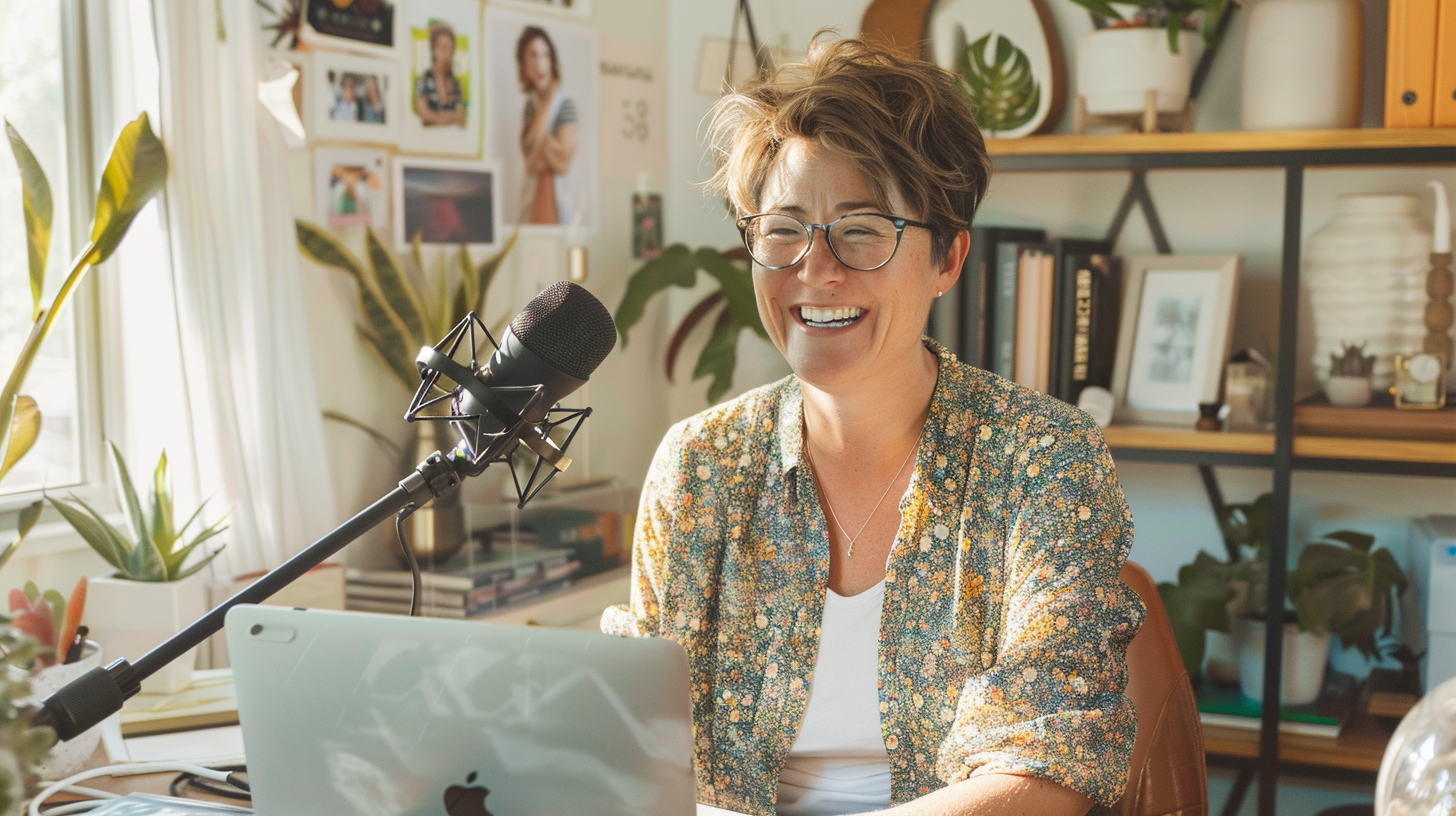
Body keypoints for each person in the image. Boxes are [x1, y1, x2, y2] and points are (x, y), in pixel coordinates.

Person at [601, 35, 1144, 816]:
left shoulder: (1043, 459)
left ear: (948, 258)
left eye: (861, 228)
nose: (815, 271)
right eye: (783, 229)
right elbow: (634, 742)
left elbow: (1043, 773)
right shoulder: (702, 464)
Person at [516, 25, 577, 225]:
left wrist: (541, 147)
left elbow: (564, 162)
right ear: (523, 63)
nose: (539, 63)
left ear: (552, 61)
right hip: (530, 202)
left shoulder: (565, 105)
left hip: (557, 204)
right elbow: (529, 161)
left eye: (545, 55)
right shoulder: (530, 105)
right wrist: (546, 104)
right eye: (533, 55)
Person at [414, 22, 466, 127]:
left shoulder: (455, 84)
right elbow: (423, 114)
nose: (447, 53)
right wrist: (449, 117)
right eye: (443, 47)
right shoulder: (424, 81)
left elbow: (461, 117)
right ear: (434, 50)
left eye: (451, 48)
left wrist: (440, 117)